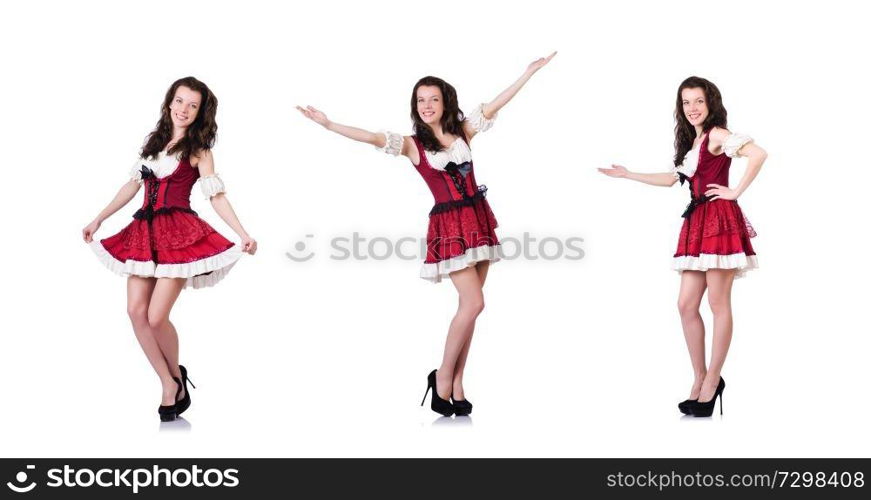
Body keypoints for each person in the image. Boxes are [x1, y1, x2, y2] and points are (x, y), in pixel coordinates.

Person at [298, 52, 556, 417]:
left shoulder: (463, 131)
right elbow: (370, 137)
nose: (426, 105)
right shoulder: (411, 144)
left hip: (479, 220)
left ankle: (458, 382)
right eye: (420, 100)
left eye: (433, 98)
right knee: (474, 304)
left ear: (445, 102)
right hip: (449, 227)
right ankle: (441, 376)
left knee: (471, 308)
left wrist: (528, 73)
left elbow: (496, 103)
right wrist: (329, 124)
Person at [82, 76, 257, 421]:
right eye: (180, 101)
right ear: (169, 103)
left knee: (156, 316)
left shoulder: (199, 150)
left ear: (201, 112)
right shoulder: (153, 143)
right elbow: (131, 186)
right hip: (142, 234)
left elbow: (216, 196)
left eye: (193, 105)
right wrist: (98, 218)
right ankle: (169, 381)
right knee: (135, 312)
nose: (184, 109)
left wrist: (242, 233)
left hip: (178, 235)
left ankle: (175, 379)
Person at [598, 76, 766, 417]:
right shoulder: (696, 142)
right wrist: (629, 174)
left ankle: (712, 380)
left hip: (718, 220)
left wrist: (735, 191)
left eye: (698, 101)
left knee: (719, 303)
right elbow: (673, 179)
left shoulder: (718, 134)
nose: (692, 108)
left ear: (711, 103)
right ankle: (700, 378)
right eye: (686, 102)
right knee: (686, 304)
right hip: (697, 221)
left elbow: (759, 153)